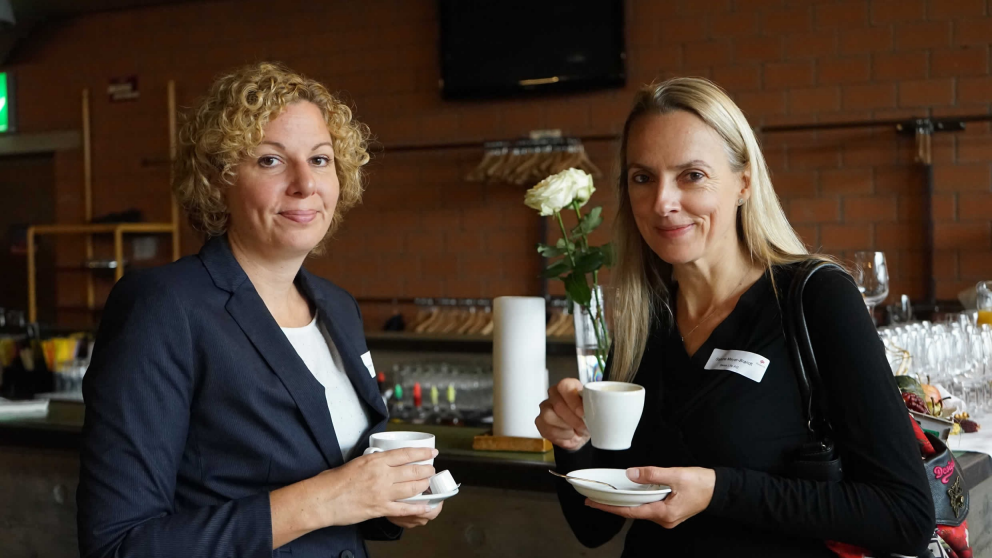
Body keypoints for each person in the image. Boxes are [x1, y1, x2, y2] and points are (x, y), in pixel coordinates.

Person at [535, 77, 935, 557]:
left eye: (692, 176)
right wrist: (574, 444)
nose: (662, 202)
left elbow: (904, 514)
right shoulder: (647, 318)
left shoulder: (815, 297)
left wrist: (719, 491)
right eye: (643, 177)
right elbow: (592, 529)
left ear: (744, 182)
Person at [77, 62, 441, 558]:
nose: (304, 184)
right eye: (270, 161)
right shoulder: (165, 307)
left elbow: (344, 497)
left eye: (320, 159)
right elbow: (120, 544)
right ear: (218, 179)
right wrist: (329, 499)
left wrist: (386, 499)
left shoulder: (338, 307)